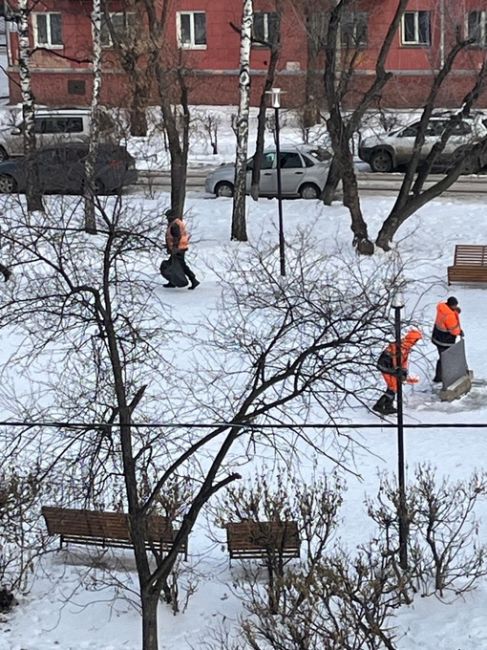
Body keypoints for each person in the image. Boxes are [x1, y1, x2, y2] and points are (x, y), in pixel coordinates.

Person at [373, 328, 423, 416]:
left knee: (393, 386)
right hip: (386, 366)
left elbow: (403, 362)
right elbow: (396, 360)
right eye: (415, 340)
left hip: (389, 367)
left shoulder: (405, 347)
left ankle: (387, 405)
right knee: (393, 387)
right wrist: (399, 372)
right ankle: (379, 405)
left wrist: (404, 372)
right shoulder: (400, 347)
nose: (415, 342)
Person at [164, 208, 200, 290]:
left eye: (168, 217)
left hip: (178, 249)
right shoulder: (177, 222)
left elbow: (177, 237)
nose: (167, 219)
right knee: (172, 264)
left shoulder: (174, 224)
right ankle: (172, 281)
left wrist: (174, 248)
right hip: (180, 248)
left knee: (181, 266)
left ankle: (193, 280)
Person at [431, 296, 463, 383]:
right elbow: (454, 330)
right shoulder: (449, 315)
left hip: (437, 336)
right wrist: (459, 332)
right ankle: (441, 377)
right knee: (445, 358)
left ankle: (439, 376)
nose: (456, 307)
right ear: (450, 305)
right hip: (445, 340)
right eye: (455, 306)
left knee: (443, 357)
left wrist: (455, 311)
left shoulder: (442, 308)